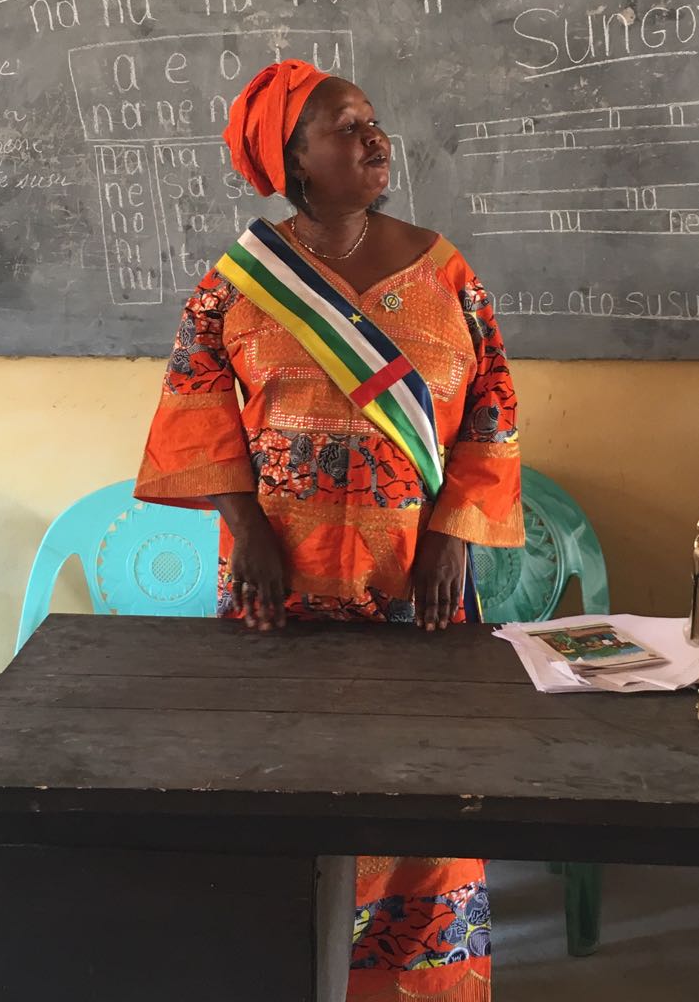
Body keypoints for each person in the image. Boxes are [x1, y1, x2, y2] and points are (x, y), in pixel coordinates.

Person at [135, 58, 524, 1002]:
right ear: (294, 161)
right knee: (281, 775)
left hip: (414, 583)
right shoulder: (239, 283)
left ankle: (415, 986)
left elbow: (491, 411)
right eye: (346, 128)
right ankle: (281, 969)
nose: (374, 139)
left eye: (371, 122)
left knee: (421, 787)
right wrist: (245, 529)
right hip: (281, 578)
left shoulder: (444, 270)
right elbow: (194, 401)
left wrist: (454, 535)